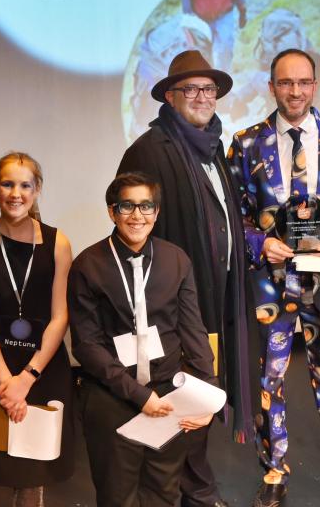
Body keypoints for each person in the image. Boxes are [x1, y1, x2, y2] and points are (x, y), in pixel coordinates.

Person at [227, 48, 320, 507]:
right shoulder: (246, 143)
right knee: (268, 383)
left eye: (303, 82)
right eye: (285, 83)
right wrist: (259, 243)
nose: (295, 91)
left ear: (315, 85)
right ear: (271, 87)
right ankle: (273, 472)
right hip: (269, 281)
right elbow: (234, 215)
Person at [118, 49, 254, 507]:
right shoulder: (149, 151)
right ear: (171, 97)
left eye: (209, 90)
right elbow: (132, 230)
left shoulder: (214, 150)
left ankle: (195, 486)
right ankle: (184, 490)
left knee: (202, 390)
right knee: (183, 392)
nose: (202, 97)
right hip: (175, 307)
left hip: (216, 300)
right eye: (191, 89)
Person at [68, 172, 217, 507]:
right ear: (111, 212)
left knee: (164, 491)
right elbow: (87, 346)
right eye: (127, 206)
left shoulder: (175, 259)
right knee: (117, 496)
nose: (137, 215)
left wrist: (206, 394)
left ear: (157, 212)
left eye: (146, 206)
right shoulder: (87, 266)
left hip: (168, 393)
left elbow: (193, 331)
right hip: (112, 397)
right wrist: (139, 396)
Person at [0, 152, 74, 506]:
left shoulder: (59, 243)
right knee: (10, 464)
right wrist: (7, 382)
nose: (16, 193)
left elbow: (60, 317)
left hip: (45, 366)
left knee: (36, 466)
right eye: (7, 183)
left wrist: (27, 377)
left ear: (37, 190)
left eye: (25, 185)